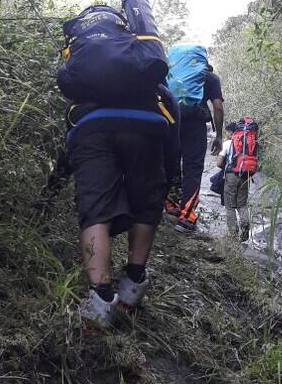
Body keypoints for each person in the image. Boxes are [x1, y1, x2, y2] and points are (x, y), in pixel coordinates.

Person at [65, 83, 179, 327]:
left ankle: (99, 303)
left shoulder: (87, 84)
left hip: (91, 129)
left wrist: (53, 185)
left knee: (95, 212)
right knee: (145, 208)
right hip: (146, 129)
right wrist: (163, 188)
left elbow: (68, 139)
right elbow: (173, 145)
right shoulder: (158, 89)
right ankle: (131, 290)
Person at [166, 46, 224, 233]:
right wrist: (219, 135)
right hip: (195, 126)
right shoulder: (210, 78)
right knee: (192, 169)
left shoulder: (172, 74)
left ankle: (171, 205)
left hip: (171, 122)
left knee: (171, 162)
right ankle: (186, 217)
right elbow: (218, 108)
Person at [218, 117, 259, 242]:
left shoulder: (227, 144)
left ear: (233, 132)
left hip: (231, 176)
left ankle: (233, 234)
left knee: (229, 206)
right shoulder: (253, 143)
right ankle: (245, 227)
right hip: (246, 176)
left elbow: (219, 163)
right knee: (242, 204)